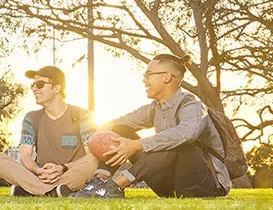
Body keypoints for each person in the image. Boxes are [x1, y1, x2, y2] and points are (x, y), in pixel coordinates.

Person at [72, 54, 231, 199]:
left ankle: (114, 187)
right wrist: (96, 136)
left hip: (205, 185)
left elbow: (187, 133)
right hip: (168, 186)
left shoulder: (193, 106)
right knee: (121, 131)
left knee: (178, 142)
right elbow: (119, 122)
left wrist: (136, 145)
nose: (144, 79)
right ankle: (98, 184)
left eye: (148, 74)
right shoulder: (155, 108)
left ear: (167, 77)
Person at [0, 66, 99, 197]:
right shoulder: (31, 118)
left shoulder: (83, 115)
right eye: (33, 85)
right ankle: (52, 192)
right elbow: (25, 155)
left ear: (57, 88)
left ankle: (31, 190)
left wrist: (63, 168)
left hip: (70, 173)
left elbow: (91, 155)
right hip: (40, 176)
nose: (34, 89)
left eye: (40, 84)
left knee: (94, 160)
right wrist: (38, 171)